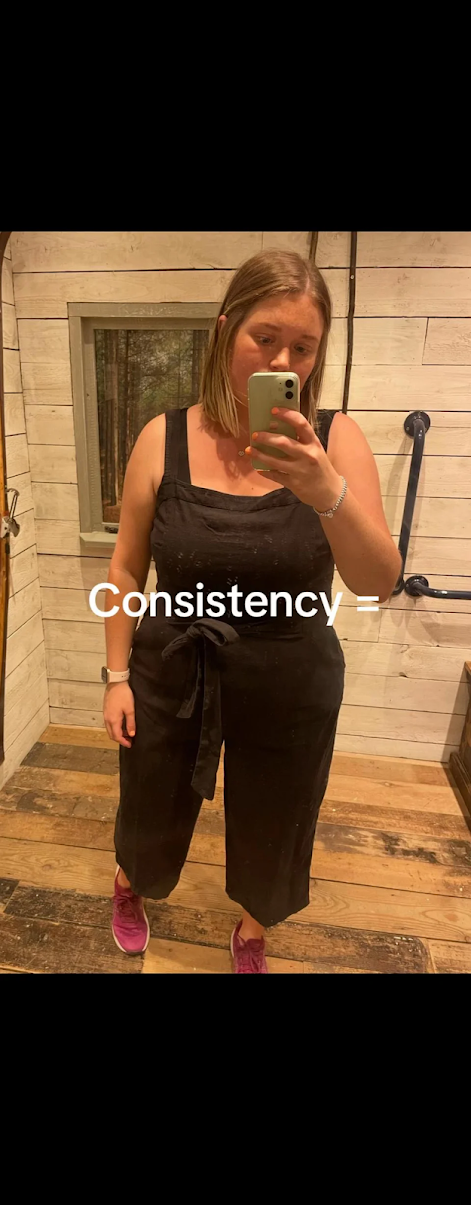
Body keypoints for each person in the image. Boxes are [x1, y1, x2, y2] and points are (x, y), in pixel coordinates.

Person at [102, 249, 401, 973]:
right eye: (264, 338)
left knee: (279, 813)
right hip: (172, 666)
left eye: (303, 347)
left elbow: (377, 582)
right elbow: (125, 567)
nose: (282, 360)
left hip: (291, 674)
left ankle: (253, 928)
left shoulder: (336, 441)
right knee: (149, 797)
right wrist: (115, 675)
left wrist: (326, 491)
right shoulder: (162, 437)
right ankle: (130, 883)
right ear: (224, 329)